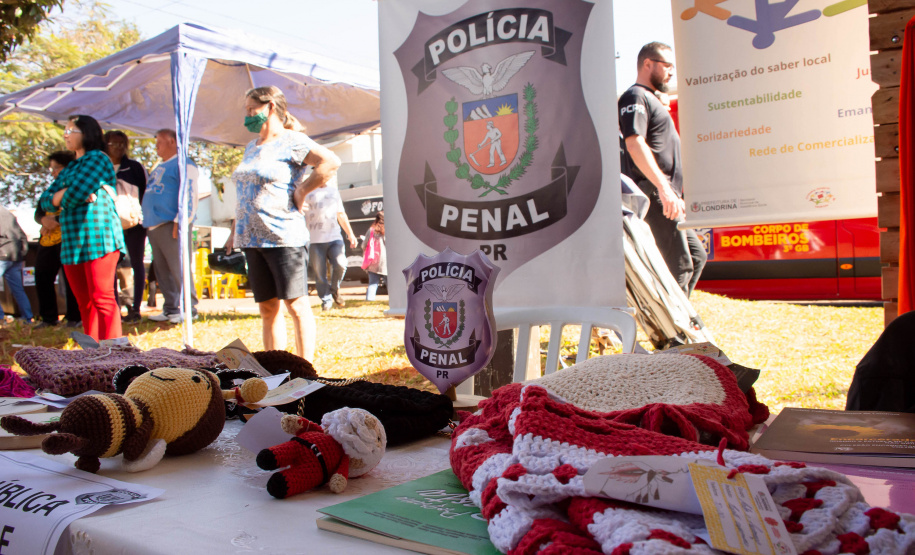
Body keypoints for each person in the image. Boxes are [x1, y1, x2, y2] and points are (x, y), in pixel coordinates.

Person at [227, 86, 340, 360]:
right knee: (267, 307)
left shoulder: (292, 141)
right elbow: (245, 193)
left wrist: (302, 191)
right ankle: (275, 369)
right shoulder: (251, 147)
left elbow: (330, 161)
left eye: (251, 110)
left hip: (282, 235)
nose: (248, 116)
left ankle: (306, 370)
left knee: (296, 305)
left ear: (269, 108)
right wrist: (234, 230)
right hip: (251, 239)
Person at [619, 42, 706, 297]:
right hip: (655, 192)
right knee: (678, 267)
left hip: (666, 193)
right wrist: (663, 188)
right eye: (667, 65)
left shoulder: (651, 100)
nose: (671, 72)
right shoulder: (635, 96)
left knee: (696, 258)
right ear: (648, 64)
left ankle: (679, 327)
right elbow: (634, 143)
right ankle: (675, 336)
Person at [38, 115, 125, 341]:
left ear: (87, 133)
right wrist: (64, 195)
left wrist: (63, 196)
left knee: (102, 298)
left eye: (71, 130)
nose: (66, 134)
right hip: (72, 243)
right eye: (65, 130)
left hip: (99, 237)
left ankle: (114, 353)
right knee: (84, 303)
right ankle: (92, 354)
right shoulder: (70, 168)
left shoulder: (97, 159)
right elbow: (44, 201)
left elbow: (74, 194)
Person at [142, 129, 199, 324]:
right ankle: (171, 308)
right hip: (154, 225)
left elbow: (190, 195)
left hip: (171, 224)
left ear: (173, 141)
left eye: (159, 141)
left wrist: (180, 221)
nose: (156, 145)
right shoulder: (160, 166)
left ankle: (190, 308)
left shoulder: (184, 164)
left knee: (178, 267)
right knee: (162, 270)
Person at [33, 151, 81, 328]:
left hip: (69, 237)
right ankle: (48, 318)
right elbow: (38, 212)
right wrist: (43, 220)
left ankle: (74, 317)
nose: (53, 172)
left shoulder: (76, 187)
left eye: (56, 168)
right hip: (47, 239)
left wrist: (56, 221)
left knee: (71, 279)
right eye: (51, 169)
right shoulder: (50, 189)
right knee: (42, 275)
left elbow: (78, 210)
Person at [104, 130, 148, 322]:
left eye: (122, 144)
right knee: (111, 266)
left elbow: (146, 193)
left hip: (134, 225)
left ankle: (135, 308)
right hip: (108, 226)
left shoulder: (134, 167)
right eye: (114, 144)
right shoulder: (100, 168)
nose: (119, 148)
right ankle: (114, 309)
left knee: (136, 263)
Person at [304, 177, 357, 310]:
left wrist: (350, 234)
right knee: (320, 274)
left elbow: (341, 214)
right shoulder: (306, 191)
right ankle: (326, 300)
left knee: (341, 263)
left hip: (334, 238)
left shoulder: (333, 191)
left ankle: (334, 289)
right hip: (315, 240)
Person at [0, 204, 32, 323]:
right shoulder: (8, 214)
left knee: (17, 289)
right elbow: (22, 236)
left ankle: (0, 318)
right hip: (15, 256)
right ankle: (27, 317)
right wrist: (22, 255)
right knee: (18, 289)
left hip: (2, 255)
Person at [363, 211, 386, 301]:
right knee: (390, 283)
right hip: (385, 261)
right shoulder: (387, 230)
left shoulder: (371, 230)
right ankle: (395, 300)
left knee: (373, 283)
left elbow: (364, 244)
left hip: (373, 261)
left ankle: (369, 300)